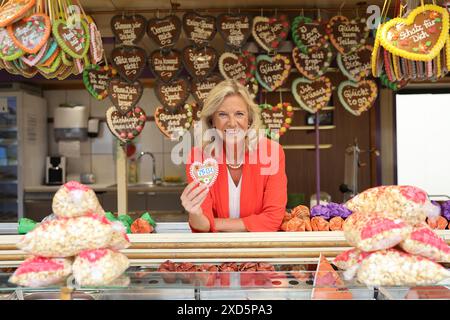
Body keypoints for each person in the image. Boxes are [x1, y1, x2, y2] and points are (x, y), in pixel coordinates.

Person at [180, 79, 287, 232]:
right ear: (212, 121)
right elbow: (201, 226)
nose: (232, 123)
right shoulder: (199, 158)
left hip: (260, 250)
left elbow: (273, 220)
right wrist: (194, 213)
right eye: (223, 114)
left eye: (239, 114)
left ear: (249, 119)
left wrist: (212, 223)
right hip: (216, 252)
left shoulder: (272, 153)